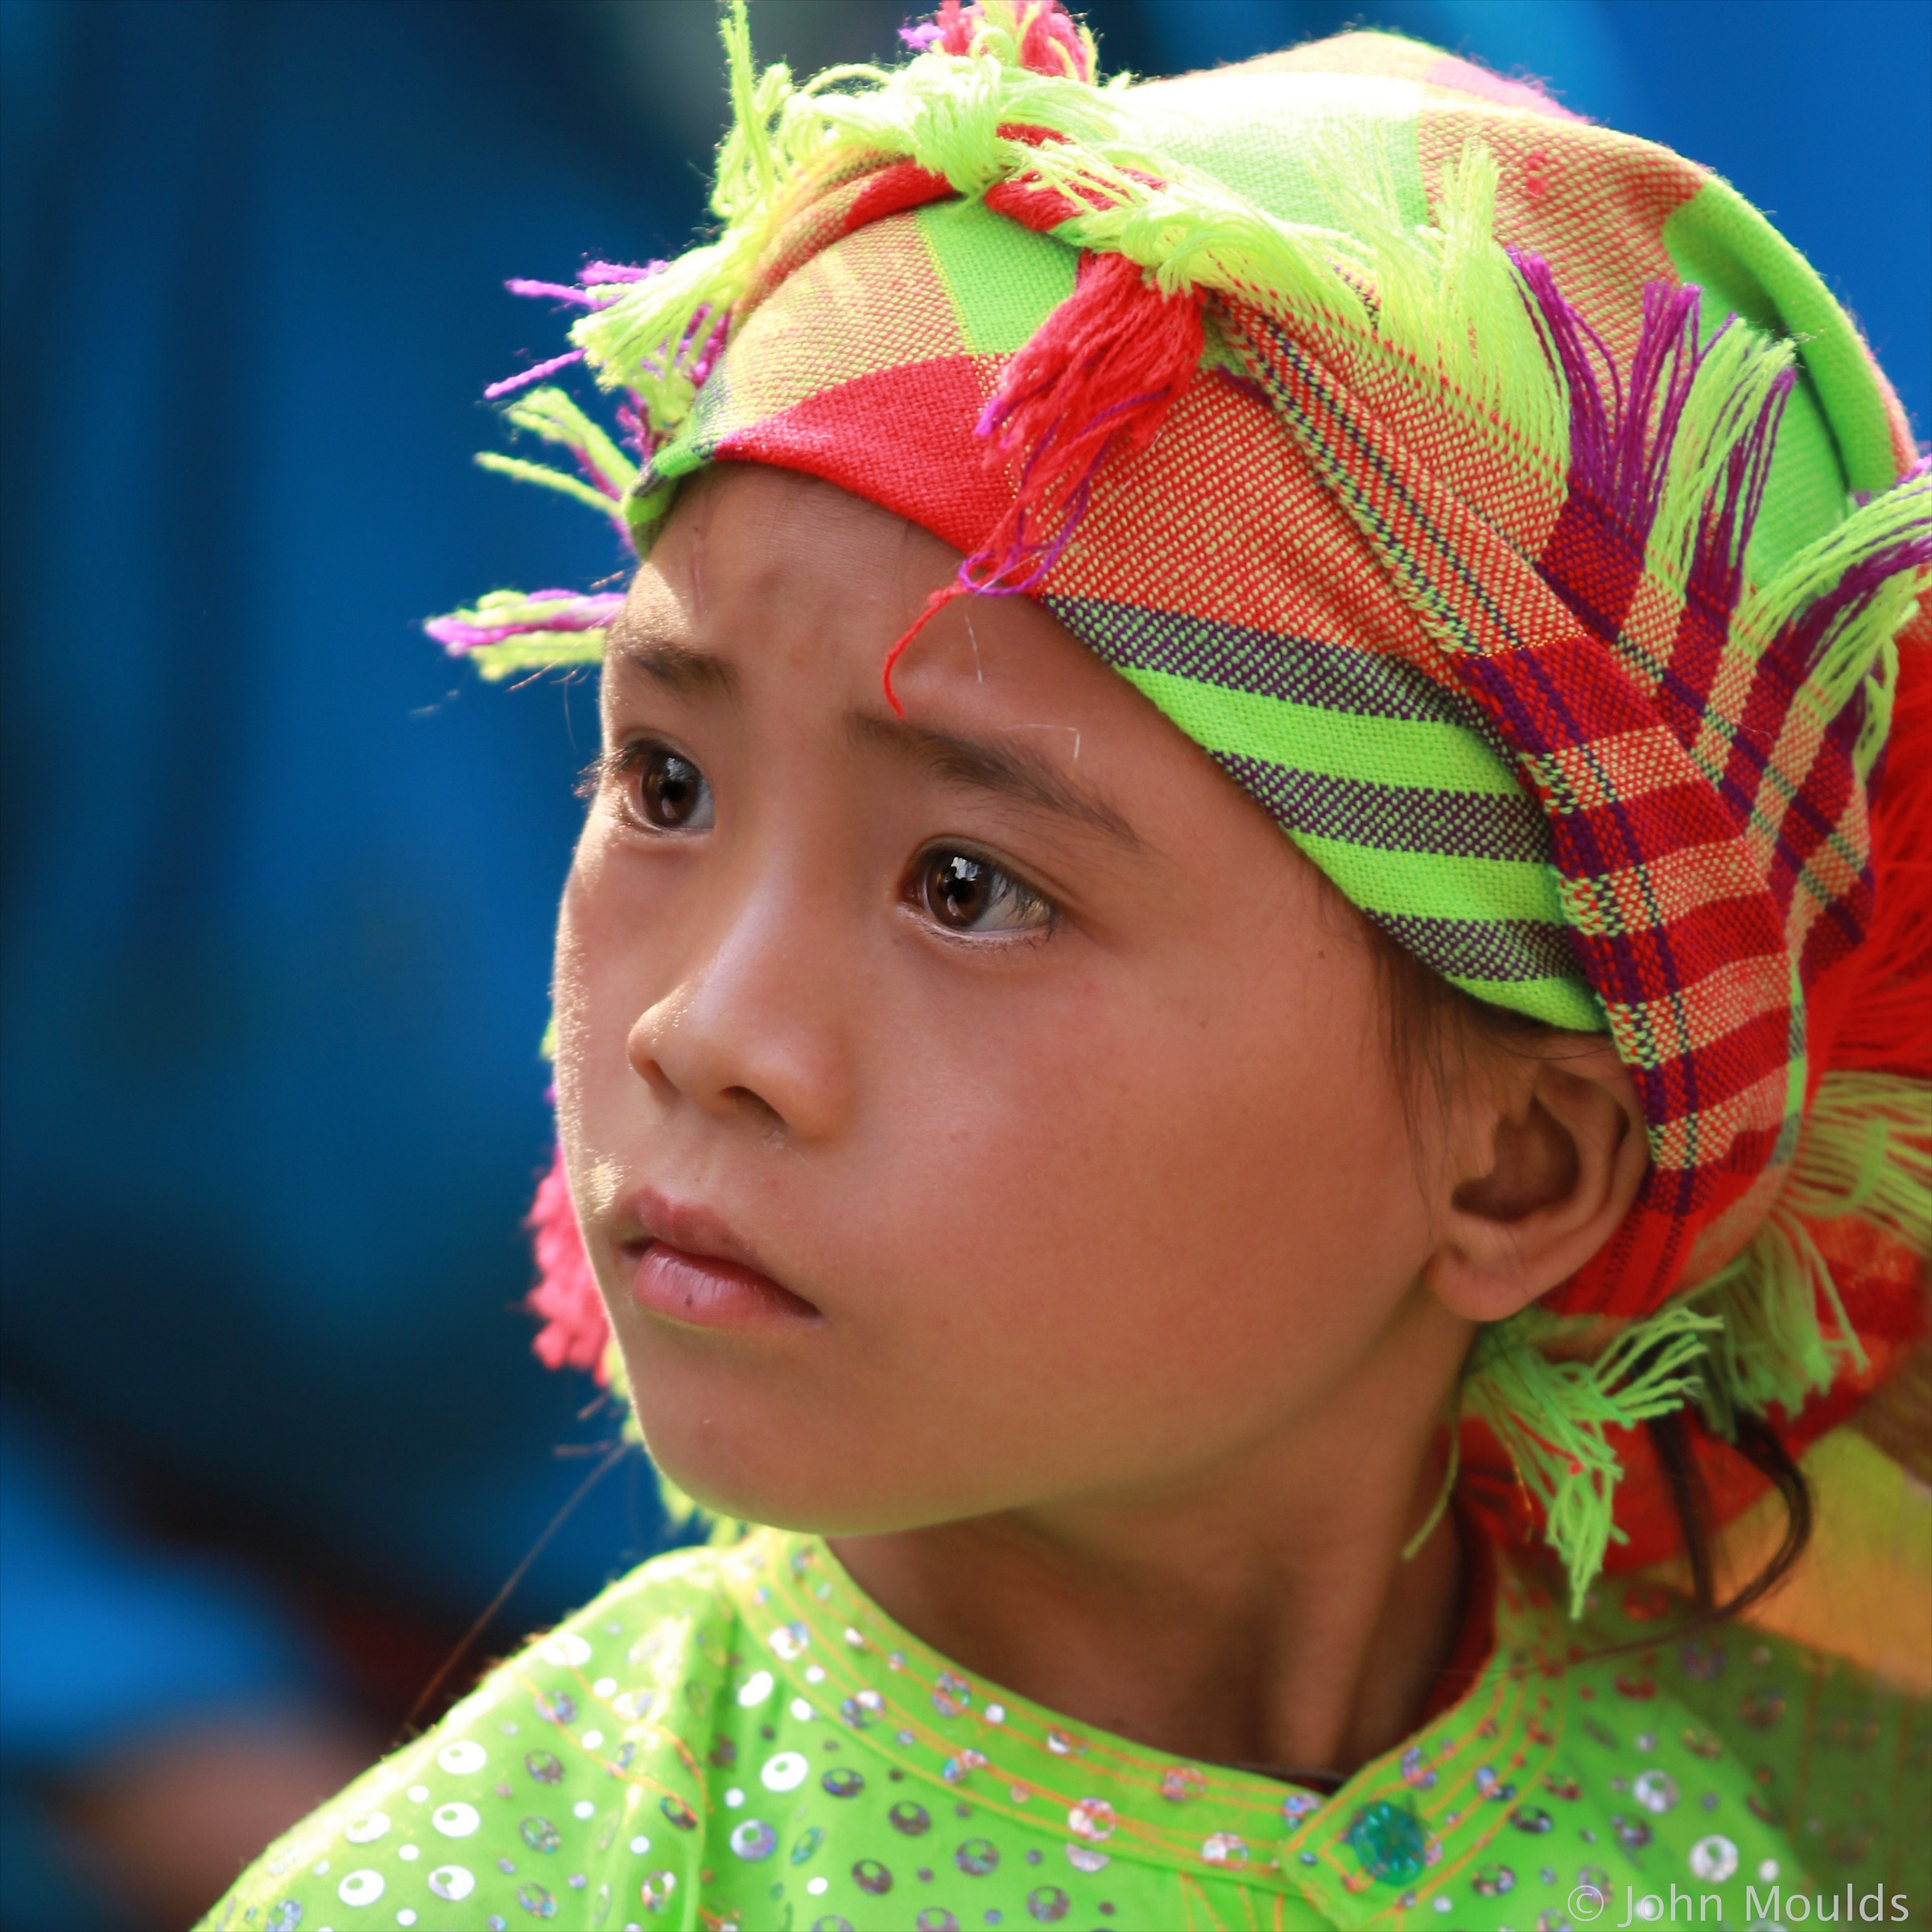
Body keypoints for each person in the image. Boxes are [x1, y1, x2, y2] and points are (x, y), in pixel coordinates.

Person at [204, 3, 1931, 1927]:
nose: (706, 1032)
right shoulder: (496, 1892)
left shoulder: (1836, 1825)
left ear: (1518, 1162)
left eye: (967, 885)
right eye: (665, 783)